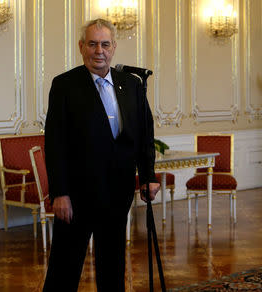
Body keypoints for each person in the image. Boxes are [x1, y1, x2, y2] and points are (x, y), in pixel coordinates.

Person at [43, 18, 160, 292]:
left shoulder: (131, 84)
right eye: (93, 44)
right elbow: (55, 143)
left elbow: (144, 135)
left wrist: (148, 176)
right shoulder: (64, 85)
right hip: (76, 198)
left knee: (113, 266)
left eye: (105, 44)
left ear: (114, 47)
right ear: (81, 47)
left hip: (117, 195)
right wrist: (59, 193)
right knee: (65, 269)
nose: (99, 51)